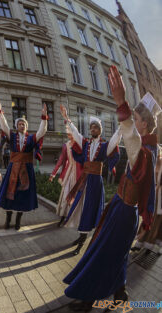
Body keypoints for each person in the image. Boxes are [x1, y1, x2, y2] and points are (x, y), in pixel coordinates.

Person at [63, 66, 160, 311]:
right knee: (116, 253)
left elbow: (132, 141)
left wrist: (122, 104)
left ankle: (88, 300)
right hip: (121, 205)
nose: (134, 123)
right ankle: (120, 294)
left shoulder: (146, 149)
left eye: (137, 120)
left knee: (105, 253)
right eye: (134, 119)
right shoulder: (146, 148)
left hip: (126, 212)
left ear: (146, 124)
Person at [59, 105, 121, 255]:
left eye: (96, 128)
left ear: (100, 130)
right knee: (80, 207)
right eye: (91, 128)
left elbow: (115, 139)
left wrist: (122, 126)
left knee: (89, 209)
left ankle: (81, 242)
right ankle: (81, 237)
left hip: (95, 182)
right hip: (84, 180)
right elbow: (76, 133)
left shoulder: (105, 146)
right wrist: (67, 118)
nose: (93, 130)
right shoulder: (85, 143)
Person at [0, 99, 48, 230]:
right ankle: (8, 219)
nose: (22, 126)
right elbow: (4, 126)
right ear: (16, 126)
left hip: (26, 169)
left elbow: (42, 131)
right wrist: (0, 112)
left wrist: (44, 117)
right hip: (13, 168)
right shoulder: (11, 136)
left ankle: (18, 220)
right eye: (20, 124)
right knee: (9, 193)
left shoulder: (31, 138)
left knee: (22, 195)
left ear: (26, 127)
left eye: (24, 124)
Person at [49, 131, 83, 227]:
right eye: (68, 133)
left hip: (79, 173)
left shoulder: (80, 144)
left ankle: (73, 218)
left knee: (76, 195)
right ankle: (63, 217)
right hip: (69, 173)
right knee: (65, 194)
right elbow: (61, 160)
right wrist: (53, 174)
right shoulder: (66, 145)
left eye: (71, 133)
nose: (69, 135)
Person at [132, 144, 162, 254]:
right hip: (154, 192)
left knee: (158, 221)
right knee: (149, 216)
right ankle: (140, 242)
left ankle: (151, 245)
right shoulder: (157, 160)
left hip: (160, 195)